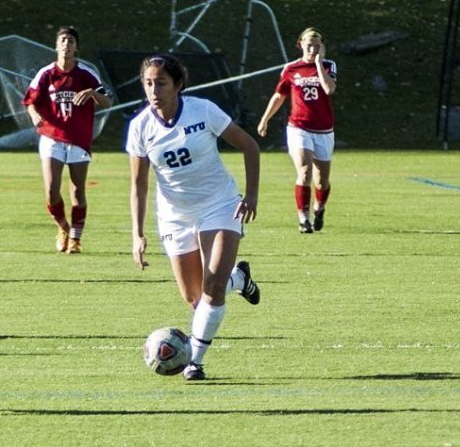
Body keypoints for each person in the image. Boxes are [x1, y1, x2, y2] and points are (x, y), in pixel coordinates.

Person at [126, 53, 261, 381]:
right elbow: (139, 185)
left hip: (220, 204)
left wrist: (252, 194)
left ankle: (194, 362)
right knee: (195, 298)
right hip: (175, 216)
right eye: (148, 83)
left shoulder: (203, 110)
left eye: (161, 83)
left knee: (213, 285)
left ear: (178, 86)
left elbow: (249, 146)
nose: (154, 90)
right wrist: (137, 234)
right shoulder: (140, 127)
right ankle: (239, 280)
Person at [22, 26, 111, 254]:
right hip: (52, 136)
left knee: (77, 191)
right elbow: (30, 100)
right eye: (63, 40)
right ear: (56, 45)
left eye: (71, 40)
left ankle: (76, 238)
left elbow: (107, 101)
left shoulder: (85, 75)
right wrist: (34, 115)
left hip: (78, 139)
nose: (66, 44)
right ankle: (63, 228)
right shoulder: (46, 73)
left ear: (76, 47)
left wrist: (92, 93)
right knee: (52, 189)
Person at [258, 27, 337, 234]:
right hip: (298, 127)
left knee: (322, 181)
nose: (312, 49)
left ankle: (319, 208)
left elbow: (329, 89)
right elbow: (279, 95)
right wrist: (265, 119)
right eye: (309, 44)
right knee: (304, 172)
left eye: (317, 45)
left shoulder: (328, 65)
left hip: (324, 130)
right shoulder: (291, 68)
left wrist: (319, 64)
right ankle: (303, 218)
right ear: (300, 44)